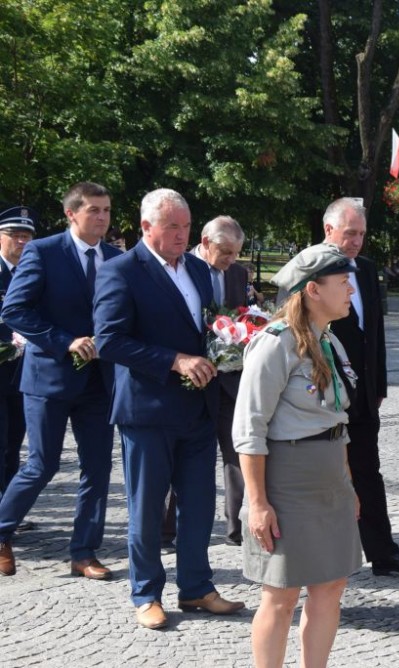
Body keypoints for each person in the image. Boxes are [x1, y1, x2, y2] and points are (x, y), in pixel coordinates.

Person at [93, 188, 244, 630]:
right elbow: (110, 341)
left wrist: (234, 340)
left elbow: (205, 327)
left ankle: (196, 586)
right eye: (172, 226)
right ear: (146, 227)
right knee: (146, 509)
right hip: (148, 410)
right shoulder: (121, 270)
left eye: (186, 226)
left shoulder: (197, 268)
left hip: (199, 408)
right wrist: (175, 360)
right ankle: (146, 593)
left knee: (198, 505)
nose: (182, 234)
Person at [234, 244, 362, 668]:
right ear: (313, 290)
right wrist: (257, 503)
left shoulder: (330, 341)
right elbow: (249, 429)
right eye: (342, 282)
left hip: (330, 478)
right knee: (281, 595)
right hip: (287, 481)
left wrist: (347, 483)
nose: (350, 290)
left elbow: (336, 420)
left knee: (331, 586)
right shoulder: (275, 344)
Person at [0, 184, 121, 580]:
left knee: (98, 468)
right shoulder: (44, 251)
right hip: (49, 378)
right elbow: (15, 310)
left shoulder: (116, 258)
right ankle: (1, 533)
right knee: (42, 464)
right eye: (94, 210)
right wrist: (65, 341)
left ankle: (84, 552)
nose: (102, 217)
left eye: (106, 210)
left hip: (99, 381)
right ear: (71, 213)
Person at [323, 198, 399, 576]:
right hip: (325, 397)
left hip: (365, 395)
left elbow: (375, 333)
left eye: (362, 234)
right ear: (329, 230)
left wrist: (378, 384)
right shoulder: (311, 270)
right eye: (350, 233)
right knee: (327, 476)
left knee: (369, 471)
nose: (356, 241)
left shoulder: (365, 269)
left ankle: (384, 553)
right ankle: (328, 560)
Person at [191, 214, 251, 546]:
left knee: (237, 452)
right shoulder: (183, 268)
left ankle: (237, 526)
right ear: (205, 242)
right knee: (186, 456)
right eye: (225, 252)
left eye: (236, 253)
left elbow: (240, 317)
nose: (231, 260)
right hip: (191, 378)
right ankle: (168, 528)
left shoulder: (238, 273)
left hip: (229, 378)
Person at [0, 207, 36, 533]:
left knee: (14, 442)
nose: (22, 241)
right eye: (15, 235)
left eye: (26, 236)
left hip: (22, 374)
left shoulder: (32, 272)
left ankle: (9, 510)